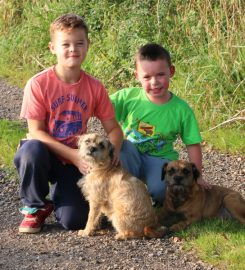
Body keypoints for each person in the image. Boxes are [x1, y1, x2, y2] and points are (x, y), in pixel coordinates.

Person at [14, 14, 123, 233]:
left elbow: (114, 130)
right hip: (45, 153)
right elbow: (35, 131)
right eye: (66, 44)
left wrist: (111, 155)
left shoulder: (95, 87)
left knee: (74, 221)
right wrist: (73, 155)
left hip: (74, 160)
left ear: (87, 46)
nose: (73, 49)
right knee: (31, 150)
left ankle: (59, 200)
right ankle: (35, 207)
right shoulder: (38, 84)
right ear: (52, 47)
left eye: (79, 43)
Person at [111, 43, 210, 206]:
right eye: (147, 77)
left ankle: (154, 200)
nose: (154, 82)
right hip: (131, 153)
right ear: (137, 76)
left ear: (171, 72)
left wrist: (197, 176)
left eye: (160, 75)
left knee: (163, 190)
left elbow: (192, 144)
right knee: (120, 151)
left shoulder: (181, 109)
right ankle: (119, 200)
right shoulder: (128, 97)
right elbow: (100, 107)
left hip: (159, 159)